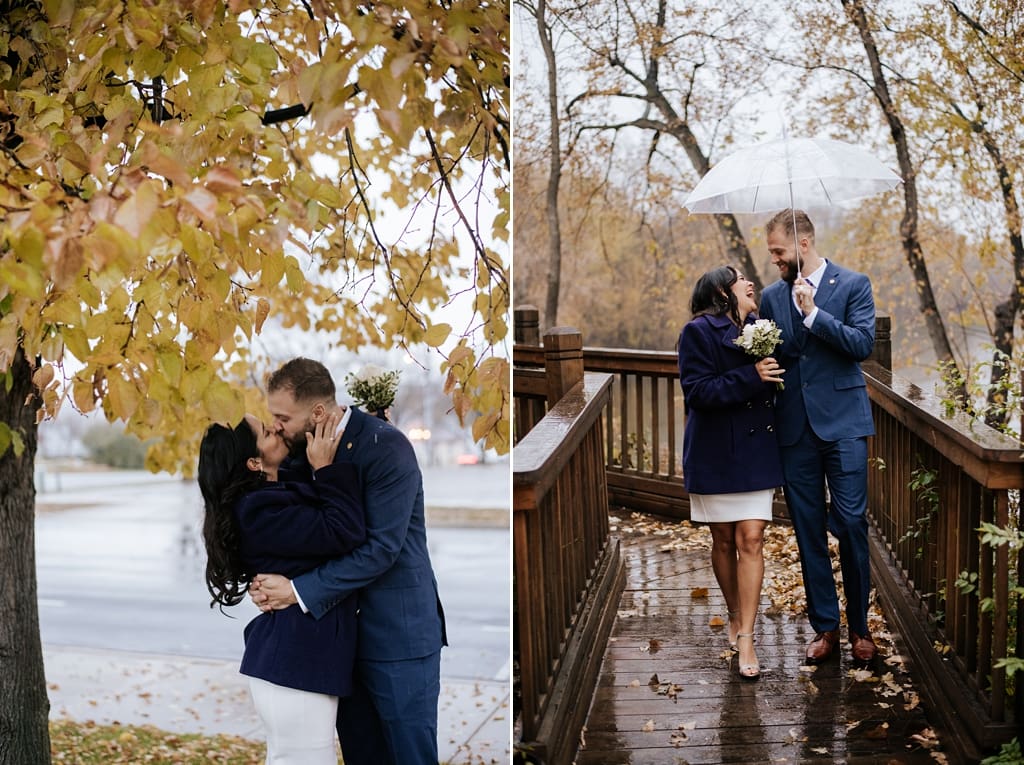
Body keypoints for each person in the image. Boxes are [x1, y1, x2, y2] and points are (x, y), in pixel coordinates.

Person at [248, 357, 447, 765]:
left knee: (410, 756)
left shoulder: (386, 446)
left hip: (399, 636)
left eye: (283, 417)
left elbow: (381, 549)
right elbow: (297, 531)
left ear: (318, 412)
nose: (276, 426)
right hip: (338, 646)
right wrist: (265, 581)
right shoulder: (296, 458)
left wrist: (296, 591)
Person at [197, 412, 365, 763]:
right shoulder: (259, 512)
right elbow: (344, 531)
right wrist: (326, 469)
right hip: (295, 668)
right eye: (266, 431)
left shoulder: (272, 495)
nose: (275, 427)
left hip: (298, 666)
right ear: (254, 462)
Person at [758, 208, 878, 665]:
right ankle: (825, 627)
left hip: (844, 423)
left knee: (851, 522)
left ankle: (861, 627)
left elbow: (862, 345)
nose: (774, 259)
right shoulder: (771, 296)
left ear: (803, 244)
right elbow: (775, 353)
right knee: (808, 528)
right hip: (794, 427)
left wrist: (813, 314)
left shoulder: (854, 285)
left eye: (779, 251)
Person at [677, 265, 785, 681]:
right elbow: (697, 391)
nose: (750, 282)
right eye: (741, 278)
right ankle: (735, 612)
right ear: (722, 292)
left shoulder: (761, 328)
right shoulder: (698, 332)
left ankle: (747, 636)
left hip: (757, 451)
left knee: (751, 538)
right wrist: (751, 376)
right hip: (716, 452)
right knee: (723, 540)